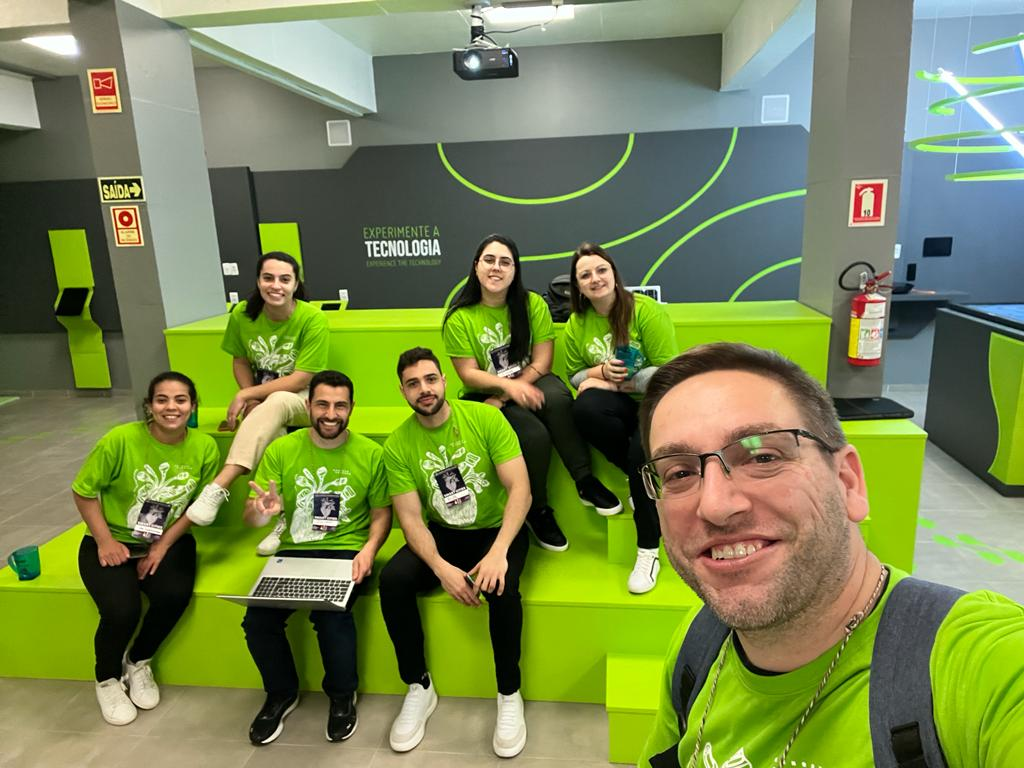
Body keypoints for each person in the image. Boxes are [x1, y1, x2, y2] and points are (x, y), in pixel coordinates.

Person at [637, 342, 1024, 767]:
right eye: (680, 473)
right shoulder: (699, 644)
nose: (714, 504)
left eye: (762, 456)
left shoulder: (981, 667)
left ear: (848, 482)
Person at [378, 347, 531, 758]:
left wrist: (499, 551)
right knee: (392, 581)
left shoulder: (485, 418)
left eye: (430, 379)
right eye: (413, 384)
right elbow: (410, 519)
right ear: (403, 392)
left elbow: (521, 489)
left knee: (502, 589)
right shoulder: (397, 444)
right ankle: (418, 686)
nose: (423, 389)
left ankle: (509, 693)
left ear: (444, 380)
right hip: (445, 535)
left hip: (499, 530)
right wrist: (441, 567)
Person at [443, 234, 621, 553]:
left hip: (530, 379)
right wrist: (504, 391)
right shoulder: (459, 317)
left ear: (515, 270)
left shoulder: (532, 304)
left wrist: (515, 387)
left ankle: (584, 481)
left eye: (505, 262)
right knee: (534, 435)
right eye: (490, 260)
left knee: (559, 398)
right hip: (483, 394)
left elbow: (542, 361)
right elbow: (469, 373)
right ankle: (537, 509)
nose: (497, 268)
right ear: (476, 266)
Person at [241, 369, 391, 746]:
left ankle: (342, 697)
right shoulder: (281, 451)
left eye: (340, 405)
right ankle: (280, 693)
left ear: (352, 408)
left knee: (332, 618)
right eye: (322, 404)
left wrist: (369, 550)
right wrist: (264, 510)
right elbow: (252, 516)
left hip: (347, 552)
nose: (330, 413)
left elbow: (380, 514)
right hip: (293, 552)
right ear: (308, 406)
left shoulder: (371, 454)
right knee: (257, 620)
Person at [72, 371, 220, 726]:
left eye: (180, 400)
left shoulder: (204, 447)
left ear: (193, 405)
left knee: (173, 595)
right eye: (162, 400)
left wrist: (162, 546)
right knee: (122, 610)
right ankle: (106, 678)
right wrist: (106, 541)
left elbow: (195, 507)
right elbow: (83, 491)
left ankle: (138, 661)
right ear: (149, 406)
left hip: (167, 538)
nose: (171, 407)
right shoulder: (119, 440)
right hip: (111, 539)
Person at [185, 251, 329, 547]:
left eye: (284, 279)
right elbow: (239, 360)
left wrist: (248, 394)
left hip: (303, 400)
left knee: (275, 401)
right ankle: (282, 519)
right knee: (272, 428)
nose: (276, 285)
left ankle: (218, 486)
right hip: (263, 400)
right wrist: (251, 398)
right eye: (268, 278)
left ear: (296, 284)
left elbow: (302, 378)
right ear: (258, 281)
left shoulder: (312, 319)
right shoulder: (242, 315)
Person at [563, 242, 678, 593]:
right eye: (585, 275)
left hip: (657, 403)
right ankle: (636, 475)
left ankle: (648, 551)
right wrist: (599, 371)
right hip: (621, 409)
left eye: (601, 270)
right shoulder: (576, 323)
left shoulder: (645, 311)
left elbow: (668, 374)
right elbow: (575, 378)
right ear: (578, 286)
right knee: (583, 409)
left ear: (614, 274)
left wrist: (617, 385)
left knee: (639, 456)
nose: (595, 278)